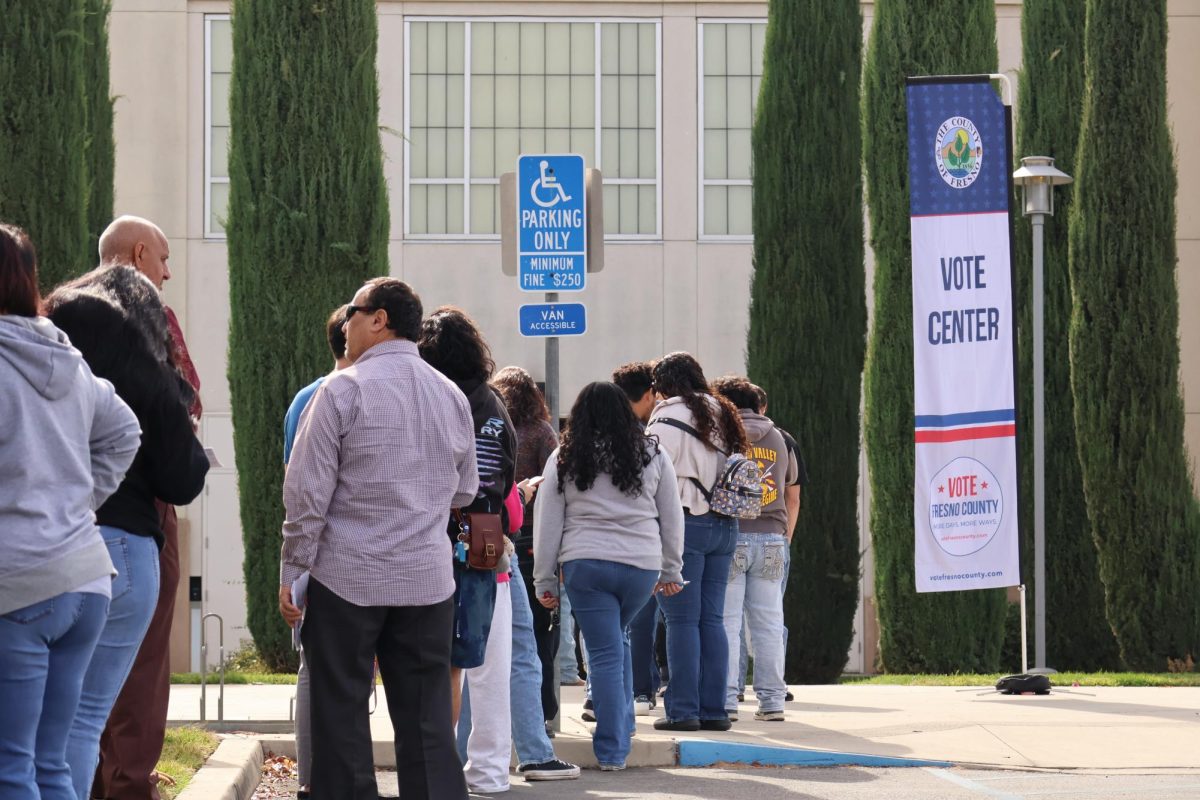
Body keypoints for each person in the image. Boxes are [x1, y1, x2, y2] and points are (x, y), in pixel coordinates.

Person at [279, 278, 478, 800]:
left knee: (341, 718)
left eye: (352, 312)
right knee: (429, 723)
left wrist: (293, 571)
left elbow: (305, 497)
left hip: (348, 576)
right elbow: (466, 489)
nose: (344, 323)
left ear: (379, 319)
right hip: (427, 581)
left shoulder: (341, 390)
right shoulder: (452, 395)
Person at [44, 264, 210, 800]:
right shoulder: (145, 371)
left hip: (44, 544)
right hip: (127, 547)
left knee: (34, 721)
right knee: (84, 720)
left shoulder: (42, 352)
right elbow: (181, 478)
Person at [0, 223, 140, 799]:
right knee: (51, 765)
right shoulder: (65, 356)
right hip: (84, 579)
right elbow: (125, 431)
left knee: (11, 768)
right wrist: (76, 503)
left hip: (20, 584)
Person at [91, 215, 204, 800]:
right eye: (163, 258)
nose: (167, 270)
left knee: (76, 669)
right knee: (142, 661)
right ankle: (130, 785)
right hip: (142, 516)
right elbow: (188, 400)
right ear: (138, 255)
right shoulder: (149, 318)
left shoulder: (65, 320)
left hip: (67, 519)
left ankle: (87, 780)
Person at [534, 382, 685, 771]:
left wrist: (544, 579)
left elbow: (548, 522)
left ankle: (613, 749)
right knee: (615, 640)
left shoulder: (564, 456)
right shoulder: (652, 452)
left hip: (586, 565)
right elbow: (672, 514)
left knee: (603, 652)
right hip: (640, 566)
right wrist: (672, 568)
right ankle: (624, 725)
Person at [416, 307, 517, 790]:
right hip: (485, 547)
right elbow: (507, 482)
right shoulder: (496, 408)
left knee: (437, 668)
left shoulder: (437, 400)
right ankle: (480, 772)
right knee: (467, 664)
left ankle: (439, 770)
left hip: (434, 540)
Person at [647, 352, 749, 732]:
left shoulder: (666, 417)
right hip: (725, 525)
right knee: (713, 621)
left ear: (664, 386)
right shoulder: (723, 412)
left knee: (681, 621)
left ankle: (683, 710)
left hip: (685, 526)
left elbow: (649, 475)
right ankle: (715, 710)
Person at [281, 305, 351, 800]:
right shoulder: (340, 396)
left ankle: (312, 779)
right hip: (339, 551)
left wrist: (290, 566)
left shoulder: (303, 399)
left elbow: (294, 486)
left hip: (311, 549)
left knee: (316, 665)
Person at [711, 376, 800, 722]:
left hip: (734, 535)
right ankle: (773, 701)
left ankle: (728, 700)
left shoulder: (725, 437)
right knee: (769, 624)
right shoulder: (780, 438)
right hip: (773, 538)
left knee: (728, 622)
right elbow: (789, 487)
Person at [491, 366, 565, 717]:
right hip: (535, 537)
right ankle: (544, 712)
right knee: (539, 633)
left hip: (499, 535)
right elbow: (556, 481)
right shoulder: (542, 432)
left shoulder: (495, 427)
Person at [613, 361, 664, 714]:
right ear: (649, 394)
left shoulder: (586, 439)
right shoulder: (648, 443)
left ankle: (608, 701)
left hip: (590, 554)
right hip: (640, 551)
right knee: (636, 626)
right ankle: (639, 694)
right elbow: (670, 511)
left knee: (607, 637)